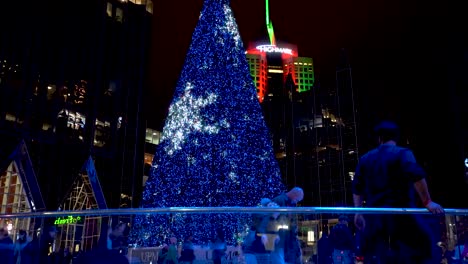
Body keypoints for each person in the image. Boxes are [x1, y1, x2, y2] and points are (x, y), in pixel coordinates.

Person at [352, 120, 444, 264]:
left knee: (378, 255)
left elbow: (357, 188)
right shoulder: (403, 153)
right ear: (396, 137)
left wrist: (358, 211)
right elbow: (417, 176)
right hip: (402, 214)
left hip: (376, 217)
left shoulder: (365, 158)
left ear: (379, 138)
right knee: (425, 247)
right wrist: (428, 201)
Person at [270, 187, 304, 264]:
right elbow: (271, 218)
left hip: (288, 238)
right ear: (294, 194)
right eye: (297, 199)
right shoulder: (279, 200)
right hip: (280, 239)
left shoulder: (291, 204)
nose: (297, 201)